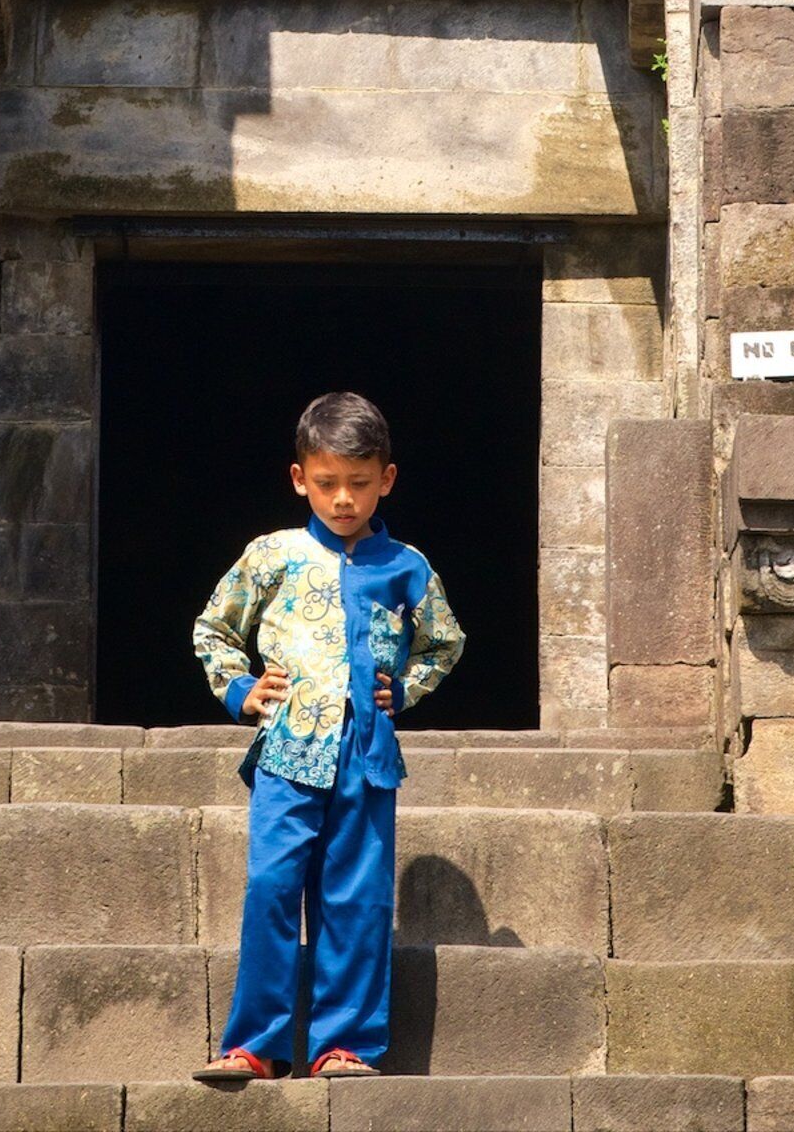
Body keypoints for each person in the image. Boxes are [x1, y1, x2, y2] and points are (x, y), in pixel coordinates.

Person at [189, 391, 464, 1084]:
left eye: (360, 483)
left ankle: (344, 1044)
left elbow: (445, 642)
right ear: (299, 479)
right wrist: (240, 688)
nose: (344, 498)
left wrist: (404, 689)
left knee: (357, 899)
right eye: (327, 482)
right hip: (287, 753)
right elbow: (214, 628)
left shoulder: (407, 566)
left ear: (387, 480)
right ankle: (256, 1044)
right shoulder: (271, 556)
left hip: (366, 757)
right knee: (271, 887)